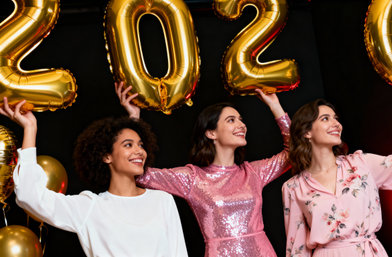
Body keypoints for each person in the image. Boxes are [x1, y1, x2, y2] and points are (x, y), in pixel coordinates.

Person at [116, 82, 291, 257]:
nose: (242, 125)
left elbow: (294, 152)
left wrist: (275, 106)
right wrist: (134, 120)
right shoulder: (192, 178)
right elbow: (140, 174)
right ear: (211, 133)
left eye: (241, 120)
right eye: (231, 120)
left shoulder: (253, 172)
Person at [282, 74, 392, 257]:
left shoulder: (361, 164)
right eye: (325, 119)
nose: (336, 123)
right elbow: (296, 249)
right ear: (307, 132)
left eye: (335, 118)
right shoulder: (294, 187)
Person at [0, 97, 188, 257]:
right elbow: (29, 196)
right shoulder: (90, 207)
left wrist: (133, 118)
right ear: (106, 156)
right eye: (129, 145)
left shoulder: (162, 201)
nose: (139, 151)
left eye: (141, 145)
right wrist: (30, 128)